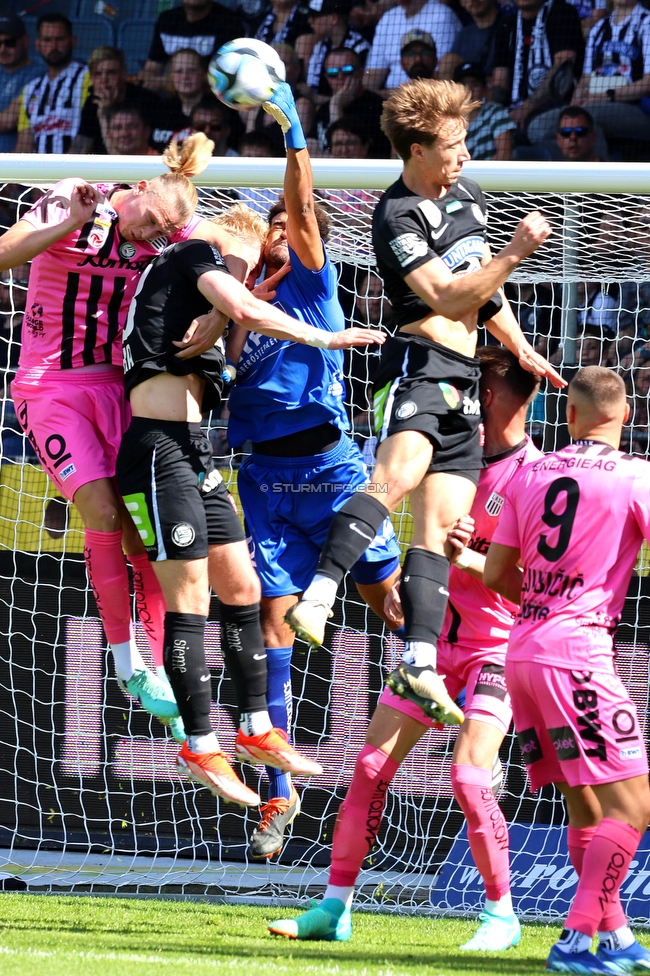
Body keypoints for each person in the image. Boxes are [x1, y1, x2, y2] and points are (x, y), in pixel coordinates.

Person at [286, 79, 563, 727]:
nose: (464, 156)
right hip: (418, 362)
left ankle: (416, 663)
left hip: (467, 376)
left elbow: (484, 292)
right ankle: (319, 597)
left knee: (438, 528)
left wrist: (519, 349)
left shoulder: (468, 196)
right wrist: (520, 251)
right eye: (453, 146)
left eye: (466, 142)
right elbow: (445, 298)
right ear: (416, 151)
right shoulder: (396, 215)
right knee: (395, 479)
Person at [269, 346, 541, 948]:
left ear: (485, 398)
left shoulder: (536, 479)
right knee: (368, 769)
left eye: (467, 389)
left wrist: (467, 557)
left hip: (494, 651)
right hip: (436, 650)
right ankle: (334, 910)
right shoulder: (445, 462)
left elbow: (534, 588)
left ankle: (502, 916)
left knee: (470, 777)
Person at [116, 203, 382, 804]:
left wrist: (230, 319)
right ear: (242, 234)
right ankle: (201, 743)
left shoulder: (214, 298)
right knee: (190, 600)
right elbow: (238, 302)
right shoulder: (192, 253)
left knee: (243, 590)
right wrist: (325, 335)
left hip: (196, 455)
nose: (256, 261)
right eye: (258, 246)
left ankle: (257, 729)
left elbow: (232, 343)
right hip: (157, 451)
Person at [0, 134, 245, 744]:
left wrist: (219, 312)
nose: (148, 238)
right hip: (50, 385)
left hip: (119, 386)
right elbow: (3, 254)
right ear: (133, 190)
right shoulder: (75, 198)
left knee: (143, 523)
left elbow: (239, 243)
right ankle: (124, 659)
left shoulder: (170, 235)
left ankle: (157, 661)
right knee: (102, 508)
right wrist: (71, 222)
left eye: (164, 230)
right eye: (148, 223)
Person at [225, 82, 402, 859]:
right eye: (266, 229)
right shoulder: (237, 303)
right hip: (263, 480)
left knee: (391, 606)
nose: (277, 235)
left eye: (285, 229)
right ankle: (279, 792)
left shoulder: (309, 285)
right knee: (273, 627)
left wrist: (294, 132)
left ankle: (477, 695)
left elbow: (300, 210)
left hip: (331, 472)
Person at [484, 365, 650, 974]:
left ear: (570, 416)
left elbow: (497, 575)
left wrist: (548, 595)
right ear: (626, 414)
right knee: (633, 807)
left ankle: (617, 937)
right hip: (577, 654)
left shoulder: (530, 474)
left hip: (522, 654)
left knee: (585, 806)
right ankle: (576, 941)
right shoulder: (637, 478)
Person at [491, 0, 583, 137]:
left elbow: (562, 71)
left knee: (535, 129)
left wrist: (526, 107)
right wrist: (493, 115)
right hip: (513, 111)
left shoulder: (562, 13)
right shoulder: (506, 24)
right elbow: (500, 81)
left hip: (556, 107)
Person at [570, 0, 650, 144]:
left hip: (639, 107)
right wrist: (574, 104)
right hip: (594, 101)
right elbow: (585, 78)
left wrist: (605, 96)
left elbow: (648, 83)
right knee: (542, 125)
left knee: (587, 118)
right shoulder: (598, 28)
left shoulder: (647, 22)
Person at [13, 14, 90, 154]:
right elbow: (24, 144)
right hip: (37, 173)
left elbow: (88, 134)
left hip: (75, 171)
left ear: (73, 42)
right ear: (38, 45)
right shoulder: (30, 89)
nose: (53, 46)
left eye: (59, 39)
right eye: (47, 40)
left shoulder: (87, 78)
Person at [70, 47, 161, 156]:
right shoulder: (93, 103)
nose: (104, 79)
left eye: (111, 73)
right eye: (98, 74)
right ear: (92, 79)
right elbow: (80, 150)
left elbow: (122, 157)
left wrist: (103, 114)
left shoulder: (146, 101)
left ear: (123, 74)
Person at [142, 0, 243, 93]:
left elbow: (228, 75)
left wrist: (171, 81)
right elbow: (153, 66)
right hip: (174, 99)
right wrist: (148, 77)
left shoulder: (229, 22)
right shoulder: (167, 19)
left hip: (212, 99)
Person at [363, 0, 461, 96]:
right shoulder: (387, 18)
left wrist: (386, 95)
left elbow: (438, 77)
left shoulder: (441, 14)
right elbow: (372, 74)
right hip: (388, 98)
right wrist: (367, 94)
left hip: (428, 97)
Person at [310, 47, 389, 156]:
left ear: (361, 73)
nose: (340, 77)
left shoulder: (377, 107)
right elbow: (309, 148)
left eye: (347, 70)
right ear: (327, 78)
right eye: (333, 73)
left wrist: (336, 106)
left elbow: (347, 153)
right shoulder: (323, 110)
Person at [297, 0, 370, 95]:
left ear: (334, 19)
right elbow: (313, 86)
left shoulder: (361, 47)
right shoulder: (320, 46)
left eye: (314, 16)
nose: (309, 20)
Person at [151, 48, 209, 152]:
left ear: (203, 74)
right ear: (171, 76)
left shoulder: (217, 110)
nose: (185, 77)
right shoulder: (160, 111)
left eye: (192, 71)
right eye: (179, 71)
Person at [454, 62, 516, 160]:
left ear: (485, 90)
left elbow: (504, 154)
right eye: (463, 85)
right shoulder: (448, 122)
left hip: (491, 174)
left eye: (474, 85)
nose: (469, 90)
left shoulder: (495, 112)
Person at [0, 14, 42, 154]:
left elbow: (8, 121)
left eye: (9, 43)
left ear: (25, 41)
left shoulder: (38, 74)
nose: (2, 49)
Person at [438, 0, 508, 81]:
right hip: (466, 89)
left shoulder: (508, 26)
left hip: (496, 88)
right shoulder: (464, 34)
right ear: (461, 3)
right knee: (448, 61)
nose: (473, 1)